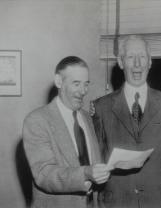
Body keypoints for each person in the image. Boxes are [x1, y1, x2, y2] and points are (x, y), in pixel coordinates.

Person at [92, 35, 161, 208]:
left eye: (142, 57)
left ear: (150, 61)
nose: (137, 64)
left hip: (157, 202)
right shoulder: (101, 107)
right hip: (115, 202)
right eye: (131, 57)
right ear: (121, 62)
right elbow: (95, 162)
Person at [23, 56, 111, 208]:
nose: (83, 91)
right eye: (76, 83)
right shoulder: (36, 120)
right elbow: (44, 174)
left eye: (86, 84)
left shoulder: (87, 118)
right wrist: (85, 173)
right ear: (59, 81)